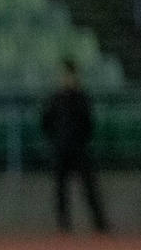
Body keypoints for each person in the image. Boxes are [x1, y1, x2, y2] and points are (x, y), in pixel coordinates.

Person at [41, 59, 110, 234]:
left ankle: (100, 225)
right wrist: (56, 141)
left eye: (70, 75)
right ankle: (64, 226)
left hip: (80, 149)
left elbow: (89, 124)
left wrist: (81, 140)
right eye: (64, 75)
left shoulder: (82, 98)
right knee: (61, 191)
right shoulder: (54, 99)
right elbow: (45, 123)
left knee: (89, 188)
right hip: (60, 149)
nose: (66, 79)